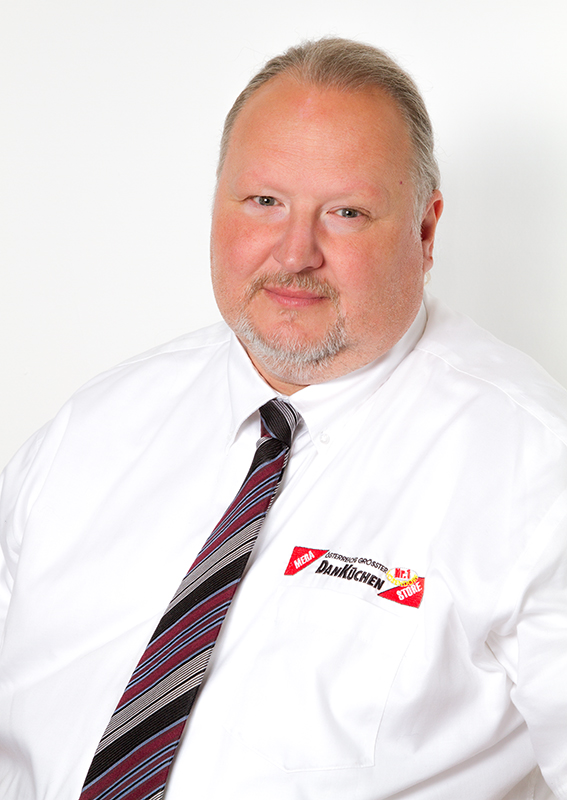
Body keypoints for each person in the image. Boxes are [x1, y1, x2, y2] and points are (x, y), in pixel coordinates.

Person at [0, 36, 566, 800]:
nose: (295, 253)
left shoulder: (533, 469)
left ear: (425, 231)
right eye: (264, 202)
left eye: (346, 212)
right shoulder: (91, 431)